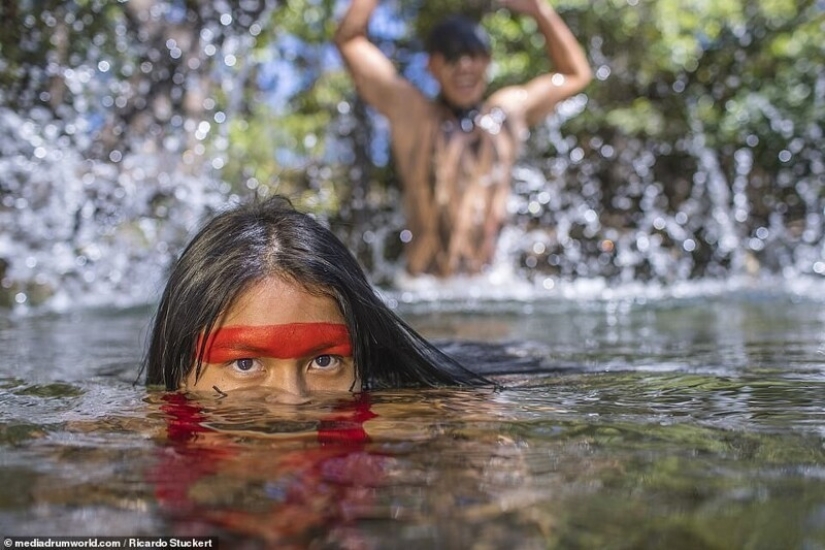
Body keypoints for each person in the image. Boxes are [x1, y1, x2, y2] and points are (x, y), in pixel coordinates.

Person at [335, 0, 592, 277]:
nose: (465, 66)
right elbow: (350, 40)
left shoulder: (505, 114)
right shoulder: (414, 115)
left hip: (490, 286)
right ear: (431, 65)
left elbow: (575, 75)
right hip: (425, 286)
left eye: (473, 54)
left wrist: (539, 10)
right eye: (452, 57)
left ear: (487, 61)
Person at [143, 195, 488, 396]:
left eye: (324, 361)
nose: (292, 403)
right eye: (244, 364)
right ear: (180, 372)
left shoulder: (426, 417)